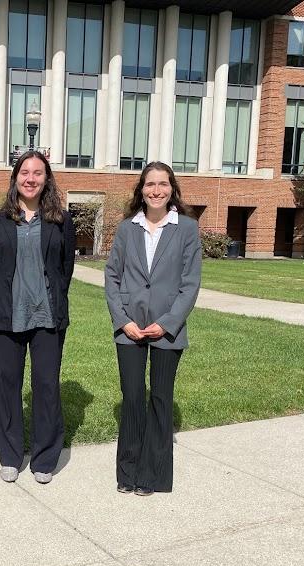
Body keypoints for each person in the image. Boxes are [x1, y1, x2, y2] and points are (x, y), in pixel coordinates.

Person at [104, 161, 201, 496]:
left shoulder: (186, 228)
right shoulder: (127, 228)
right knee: (132, 398)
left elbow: (190, 284)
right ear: (140, 190)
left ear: (172, 188)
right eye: (150, 184)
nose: (156, 190)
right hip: (129, 328)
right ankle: (127, 472)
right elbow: (112, 277)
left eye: (162, 184)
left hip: (167, 329)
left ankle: (152, 475)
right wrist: (123, 321)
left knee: (160, 398)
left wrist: (167, 322)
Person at [0, 151, 76, 484]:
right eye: (25, 172)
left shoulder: (62, 221)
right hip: (8, 315)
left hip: (48, 316)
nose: (31, 178)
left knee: (47, 386)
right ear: (15, 178)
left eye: (38, 172)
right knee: (8, 385)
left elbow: (65, 270)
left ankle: (44, 457)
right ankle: (9, 455)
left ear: (47, 179)